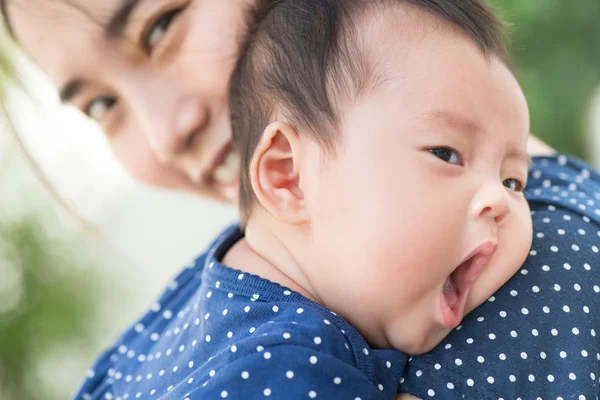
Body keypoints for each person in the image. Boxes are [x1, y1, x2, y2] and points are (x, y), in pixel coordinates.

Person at [1, 0, 598, 399]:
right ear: (283, 177)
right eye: (101, 105)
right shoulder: (279, 361)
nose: (164, 134)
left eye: (162, 25)